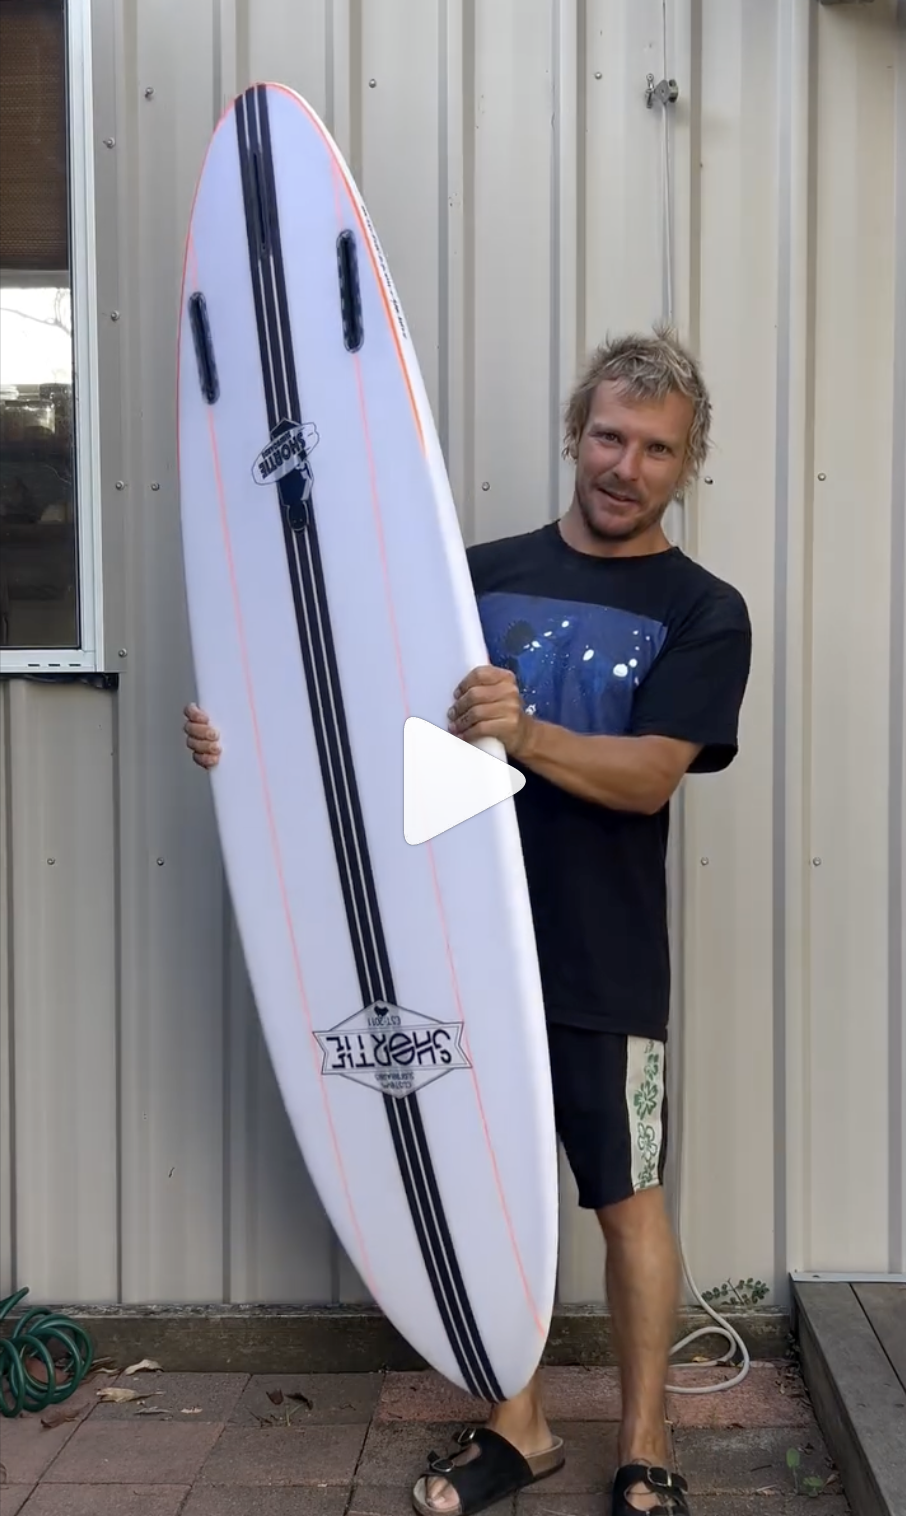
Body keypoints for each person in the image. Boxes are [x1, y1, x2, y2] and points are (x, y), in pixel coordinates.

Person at [183, 326, 752, 1515]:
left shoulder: (704, 610)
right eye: (608, 435)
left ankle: (647, 1444)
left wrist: (527, 732)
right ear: (574, 434)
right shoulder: (464, 574)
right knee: (481, 1190)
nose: (624, 465)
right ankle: (521, 1426)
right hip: (447, 948)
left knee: (628, 1198)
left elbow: (651, 774)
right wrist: (240, 744)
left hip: (603, 960)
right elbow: (354, 712)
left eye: (655, 448)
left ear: (686, 464)